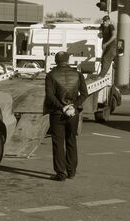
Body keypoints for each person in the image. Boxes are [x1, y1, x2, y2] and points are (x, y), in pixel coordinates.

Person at [44, 51, 88, 181]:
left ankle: (60, 173)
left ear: (56, 61)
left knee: (58, 143)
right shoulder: (78, 74)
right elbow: (84, 94)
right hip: (73, 113)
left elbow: (50, 96)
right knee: (71, 141)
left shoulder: (51, 75)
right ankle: (72, 171)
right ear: (68, 60)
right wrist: (73, 106)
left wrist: (62, 107)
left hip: (58, 114)